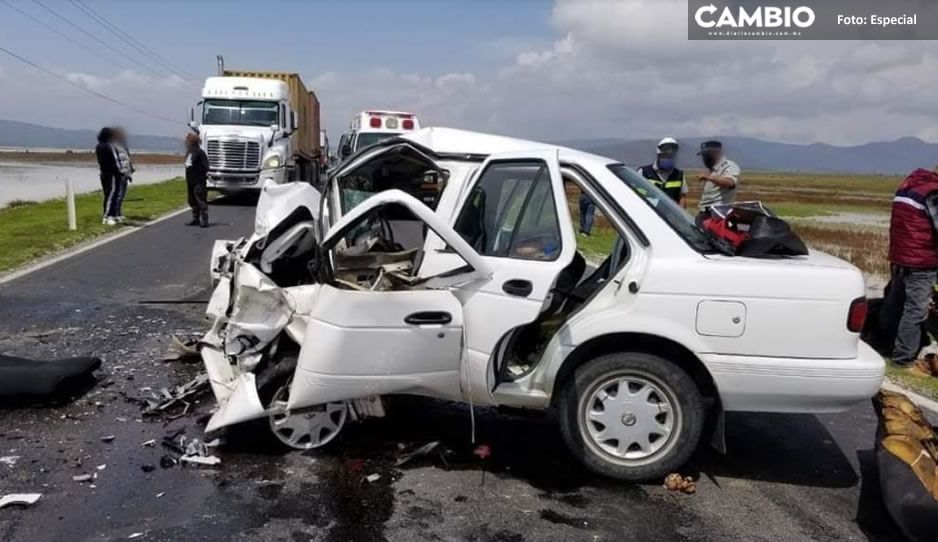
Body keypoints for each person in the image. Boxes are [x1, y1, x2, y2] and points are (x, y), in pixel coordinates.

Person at [881, 167, 938, 373]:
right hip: (921, 261)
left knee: (895, 303)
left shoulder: (911, 183)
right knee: (915, 310)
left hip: (900, 255)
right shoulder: (933, 193)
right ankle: (903, 359)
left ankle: (882, 343)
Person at [638, 137, 687, 207]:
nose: (668, 158)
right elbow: (635, 195)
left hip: (669, 216)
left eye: (671, 156)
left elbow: (682, 197)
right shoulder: (643, 172)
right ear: (658, 156)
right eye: (665, 156)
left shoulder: (679, 175)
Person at [696, 140, 741, 212]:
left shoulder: (730, 166)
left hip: (718, 213)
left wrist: (708, 177)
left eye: (705, 155)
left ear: (715, 153)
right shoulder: (713, 170)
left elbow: (730, 183)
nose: (703, 159)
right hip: (705, 212)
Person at [95, 127, 121, 225]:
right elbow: (114, 160)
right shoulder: (108, 146)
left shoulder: (99, 146)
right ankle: (107, 216)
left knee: (109, 194)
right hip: (111, 174)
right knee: (111, 194)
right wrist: (118, 171)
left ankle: (112, 214)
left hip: (104, 173)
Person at [184, 132, 209, 228]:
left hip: (199, 181)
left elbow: (206, 166)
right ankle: (196, 219)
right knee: (192, 201)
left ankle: (204, 220)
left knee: (201, 200)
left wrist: (201, 173)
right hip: (190, 181)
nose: (186, 143)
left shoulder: (200, 152)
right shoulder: (189, 152)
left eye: (188, 141)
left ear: (193, 142)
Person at [110, 127, 134, 223]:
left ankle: (118, 213)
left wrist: (130, 172)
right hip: (118, 174)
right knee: (118, 194)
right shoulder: (113, 146)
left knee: (122, 194)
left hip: (125, 173)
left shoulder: (124, 146)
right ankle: (115, 214)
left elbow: (127, 161)